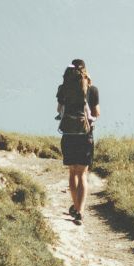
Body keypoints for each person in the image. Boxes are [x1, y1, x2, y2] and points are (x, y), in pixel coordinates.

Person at [56, 58, 100, 225]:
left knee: (72, 172)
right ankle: (80, 211)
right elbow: (96, 114)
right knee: (82, 173)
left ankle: (75, 206)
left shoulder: (63, 89)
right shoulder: (91, 89)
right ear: (85, 71)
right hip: (85, 136)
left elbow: (59, 110)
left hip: (68, 135)